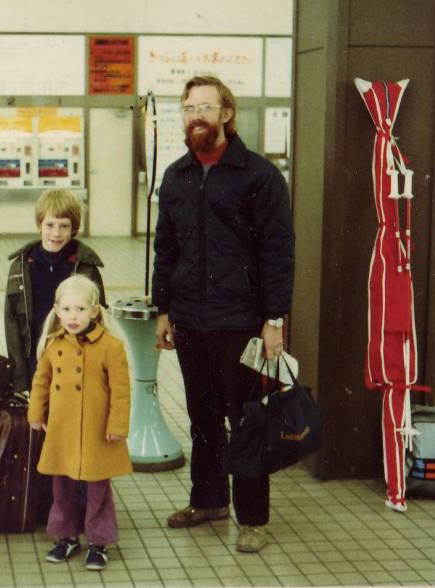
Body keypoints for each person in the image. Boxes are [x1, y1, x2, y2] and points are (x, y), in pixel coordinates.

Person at [152, 76, 295, 553]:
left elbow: (278, 250)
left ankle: (252, 516)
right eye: (189, 107)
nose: (196, 115)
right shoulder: (176, 176)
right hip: (191, 320)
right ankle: (209, 499)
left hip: (241, 322)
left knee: (248, 419)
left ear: (227, 113)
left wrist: (274, 319)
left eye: (206, 107)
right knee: (203, 417)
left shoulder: (258, 176)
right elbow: (166, 248)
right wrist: (163, 310)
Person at [28, 275, 132, 571]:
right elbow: (41, 382)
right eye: (68, 310)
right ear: (57, 310)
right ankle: (66, 536)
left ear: (95, 311)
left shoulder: (111, 346)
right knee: (61, 487)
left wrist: (117, 426)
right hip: (62, 430)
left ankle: (98, 542)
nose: (73, 317)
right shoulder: (53, 344)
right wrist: (36, 414)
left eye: (80, 309)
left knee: (98, 489)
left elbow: (121, 391)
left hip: (98, 432)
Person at [4, 189, 106, 399]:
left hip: (76, 363)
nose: (56, 233)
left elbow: (99, 320)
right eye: (50, 225)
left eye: (64, 226)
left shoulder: (86, 268)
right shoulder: (21, 267)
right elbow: (11, 322)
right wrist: (20, 376)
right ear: (39, 225)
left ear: (74, 229)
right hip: (36, 361)